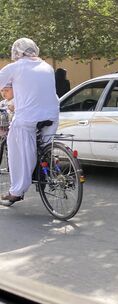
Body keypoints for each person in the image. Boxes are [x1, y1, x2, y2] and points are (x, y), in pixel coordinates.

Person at [0, 38, 60, 206]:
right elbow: (34, 92)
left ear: (17, 52)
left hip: (28, 118)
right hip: (52, 115)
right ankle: (48, 169)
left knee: (16, 149)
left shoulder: (15, 67)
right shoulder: (47, 67)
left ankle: (16, 191)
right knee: (45, 147)